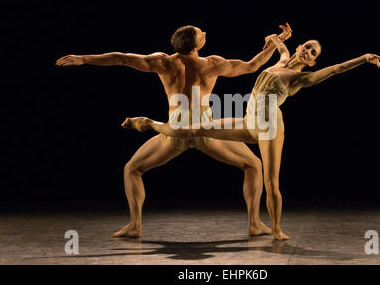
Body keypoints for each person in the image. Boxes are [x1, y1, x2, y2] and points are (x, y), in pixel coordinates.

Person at [122, 34, 380, 240]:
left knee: (270, 181)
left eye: (313, 53)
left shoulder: (301, 77)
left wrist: (363, 58)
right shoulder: (282, 61)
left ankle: (277, 229)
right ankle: (149, 123)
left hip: (269, 126)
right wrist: (280, 37)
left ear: (313, 61)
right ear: (299, 46)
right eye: (307, 46)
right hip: (249, 122)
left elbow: (336, 69)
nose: (308, 51)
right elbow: (280, 47)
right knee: (195, 129)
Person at [55, 23, 292, 238]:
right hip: (205, 129)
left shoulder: (164, 62)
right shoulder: (212, 63)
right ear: (195, 44)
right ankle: (254, 223)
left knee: (132, 169)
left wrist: (83, 59)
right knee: (253, 165)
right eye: (202, 34)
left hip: (175, 129)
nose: (205, 33)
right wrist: (272, 46)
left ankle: (135, 225)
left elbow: (122, 58)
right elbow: (252, 66)